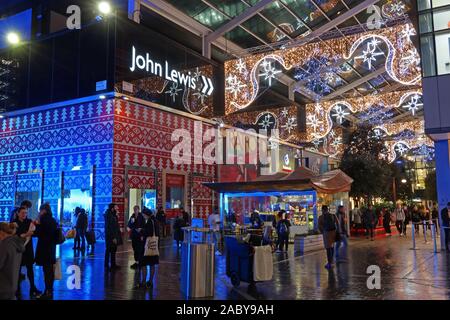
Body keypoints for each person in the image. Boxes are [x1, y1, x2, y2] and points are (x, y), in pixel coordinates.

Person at [13, 206, 41, 299]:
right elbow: (15, 234)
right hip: (18, 249)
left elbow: (35, 232)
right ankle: (16, 290)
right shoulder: (14, 223)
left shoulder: (29, 221)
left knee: (30, 269)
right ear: (18, 213)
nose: (24, 214)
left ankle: (32, 287)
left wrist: (35, 227)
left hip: (28, 249)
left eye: (26, 213)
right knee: (17, 270)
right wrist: (25, 234)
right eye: (22, 213)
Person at [34, 203, 58, 300]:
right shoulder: (53, 220)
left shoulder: (43, 220)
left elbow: (38, 233)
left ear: (44, 210)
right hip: (51, 249)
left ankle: (47, 292)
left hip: (44, 249)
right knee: (50, 271)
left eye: (40, 210)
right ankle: (49, 290)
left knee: (46, 271)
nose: (39, 212)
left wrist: (37, 224)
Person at [0, 222, 27, 300]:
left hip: (2, 287)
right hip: (12, 286)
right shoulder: (15, 243)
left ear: (1, 232)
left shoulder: (4, 245)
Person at [138, 209, 159, 289]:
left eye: (144, 215)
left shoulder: (150, 221)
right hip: (154, 247)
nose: (143, 217)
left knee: (143, 263)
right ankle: (150, 281)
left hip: (147, 246)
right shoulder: (155, 220)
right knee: (152, 264)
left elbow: (148, 232)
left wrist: (141, 231)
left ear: (146, 214)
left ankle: (144, 281)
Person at [104, 203, 123, 272]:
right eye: (116, 207)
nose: (117, 208)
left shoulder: (113, 215)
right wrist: (113, 237)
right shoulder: (109, 215)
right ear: (112, 208)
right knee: (109, 250)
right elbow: (110, 227)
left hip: (112, 236)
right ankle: (108, 265)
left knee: (113, 250)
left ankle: (113, 264)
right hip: (110, 237)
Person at [128, 205, 145, 269]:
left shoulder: (141, 217)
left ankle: (140, 261)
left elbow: (144, 226)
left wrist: (142, 234)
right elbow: (129, 224)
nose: (135, 211)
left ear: (138, 210)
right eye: (134, 209)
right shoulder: (132, 216)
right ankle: (137, 261)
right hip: (134, 235)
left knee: (140, 249)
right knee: (135, 248)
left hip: (140, 235)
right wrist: (130, 226)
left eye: (136, 209)